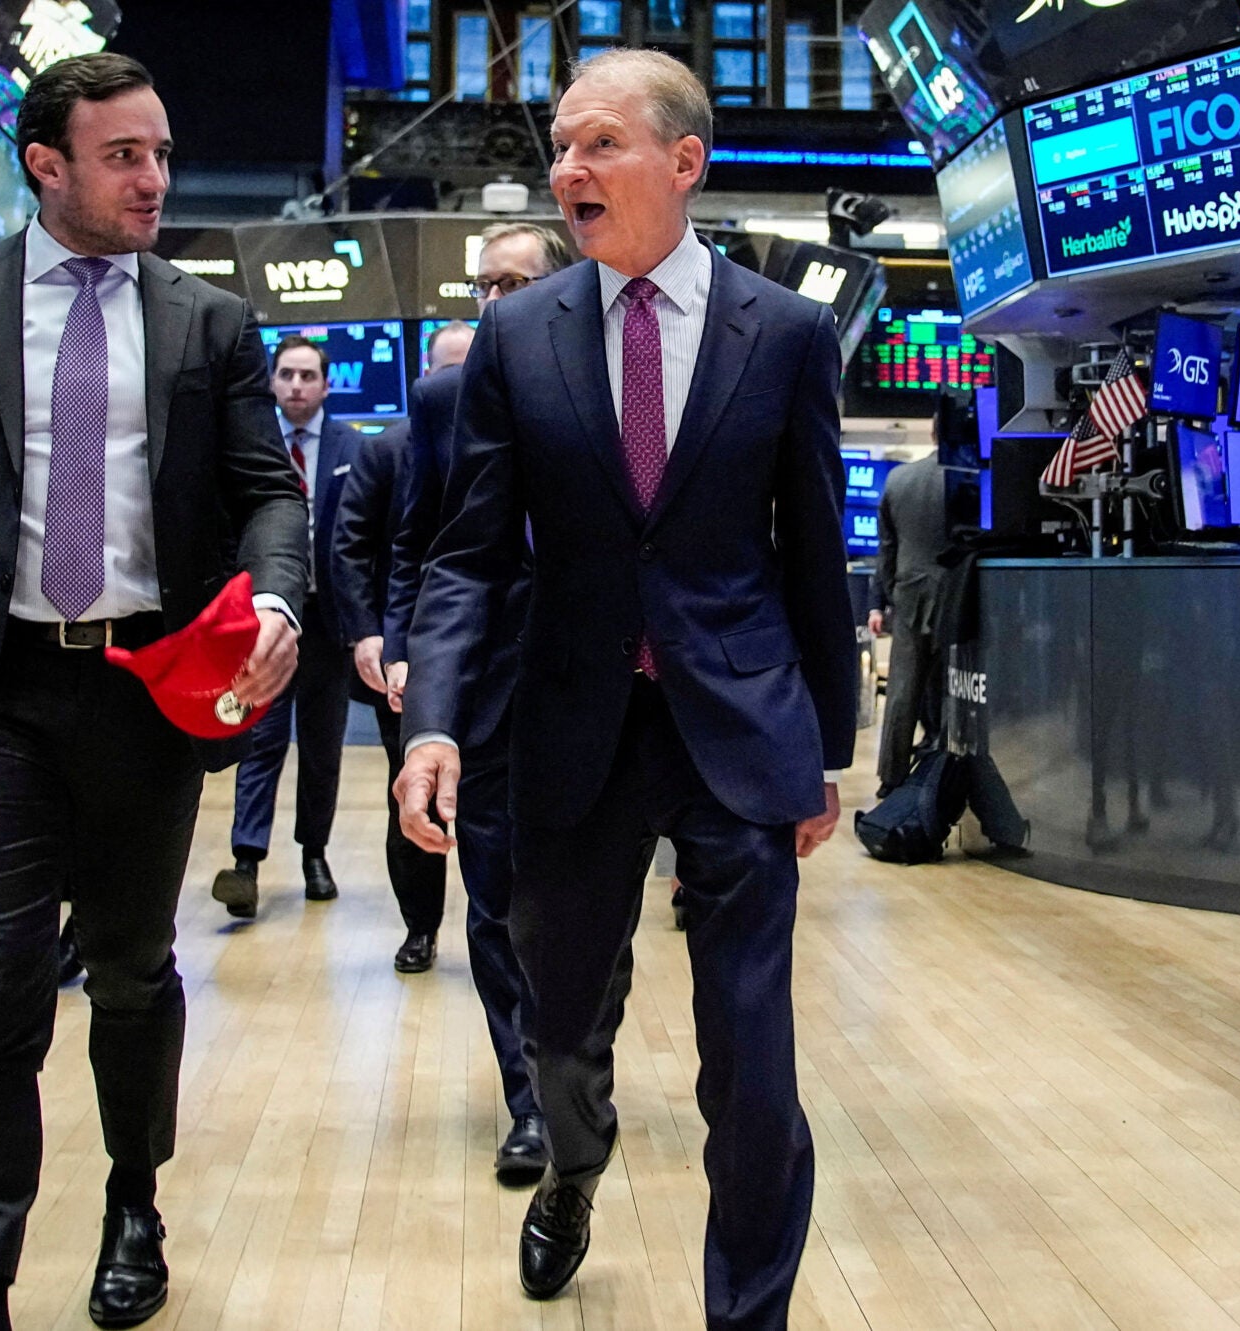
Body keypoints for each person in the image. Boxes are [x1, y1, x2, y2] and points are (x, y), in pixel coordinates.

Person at [0, 53, 308, 1331]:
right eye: (123, 157)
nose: (154, 179)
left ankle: (133, 1200)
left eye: (161, 153)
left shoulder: (209, 321)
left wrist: (274, 601)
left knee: (132, 968)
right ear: (47, 165)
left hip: (141, 694)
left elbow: (269, 493)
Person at [394, 49, 856, 1329]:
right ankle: (572, 1165)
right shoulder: (517, 334)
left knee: (751, 1059)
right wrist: (432, 723)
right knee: (559, 1029)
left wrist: (826, 748)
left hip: (737, 727)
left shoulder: (787, 333)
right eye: (560, 146)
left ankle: (746, 1310)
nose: (567, 170)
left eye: (598, 143)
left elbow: (813, 551)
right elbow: (469, 554)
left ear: (683, 162)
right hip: (569, 723)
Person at [388, 224, 573, 1186]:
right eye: (484, 287)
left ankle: (575, 1066)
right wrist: (409, 656)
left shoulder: (612, 380)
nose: (495, 303)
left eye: (515, 284)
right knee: (495, 904)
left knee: (587, 912)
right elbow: (423, 542)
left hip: (595, 684)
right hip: (488, 685)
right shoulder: (441, 401)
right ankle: (529, 1099)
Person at [208, 335, 363, 918]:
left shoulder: (354, 447)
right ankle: (246, 860)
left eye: (308, 376)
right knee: (260, 738)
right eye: (287, 375)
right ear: (271, 382)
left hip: (328, 620)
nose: (296, 386)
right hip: (263, 620)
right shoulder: (251, 444)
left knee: (323, 745)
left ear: (326, 385)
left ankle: (314, 853)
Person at [328, 326, 465, 974]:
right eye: (446, 373)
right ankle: (421, 927)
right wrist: (367, 632)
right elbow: (351, 545)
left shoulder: (520, 438)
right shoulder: (386, 450)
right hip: (405, 652)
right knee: (410, 788)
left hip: (494, 653)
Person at [868, 393, 969, 796]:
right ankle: (944, 775)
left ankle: (890, 777)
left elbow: (887, 551)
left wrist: (892, 594)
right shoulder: (968, 479)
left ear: (932, 433)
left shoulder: (897, 480)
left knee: (902, 691)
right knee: (954, 689)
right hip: (956, 595)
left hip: (909, 593)